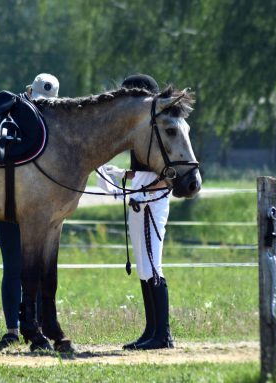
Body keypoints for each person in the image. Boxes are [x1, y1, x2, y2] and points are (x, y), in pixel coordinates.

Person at [97, 74, 174, 350]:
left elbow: (169, 173)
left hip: (152, 199)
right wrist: (124, 175)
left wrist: (143, 189)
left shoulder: (161, 131)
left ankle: (162, 335)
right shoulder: (141, 131)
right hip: (142, 197)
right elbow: (144, 170)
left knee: (153, 265)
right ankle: (151, 331)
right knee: (143, 267)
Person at [0, 73, 59, 349]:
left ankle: (35, 324)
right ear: (29, 92)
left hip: (39, 208)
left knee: (37, 268)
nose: (41, 106)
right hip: (9, 205)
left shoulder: (56, 127)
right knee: (13, 267)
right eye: (38, 100)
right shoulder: (10, 117)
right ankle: (12, 329)